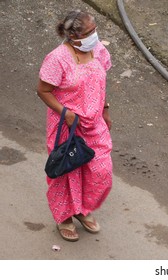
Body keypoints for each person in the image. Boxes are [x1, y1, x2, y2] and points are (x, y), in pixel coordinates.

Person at [36, 10, 113, 242]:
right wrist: (65, 113)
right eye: (89, 32)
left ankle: (82, 209)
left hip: (94, 122)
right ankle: (65, 216)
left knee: (100, 171)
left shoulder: (98, 51)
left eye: (95, 29)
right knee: (68, 171)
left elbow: (100, 83)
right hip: (67, 124)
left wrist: (106, 109)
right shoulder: (57, 58)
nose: (95, 35)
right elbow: (43, 90)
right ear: (73, 36)